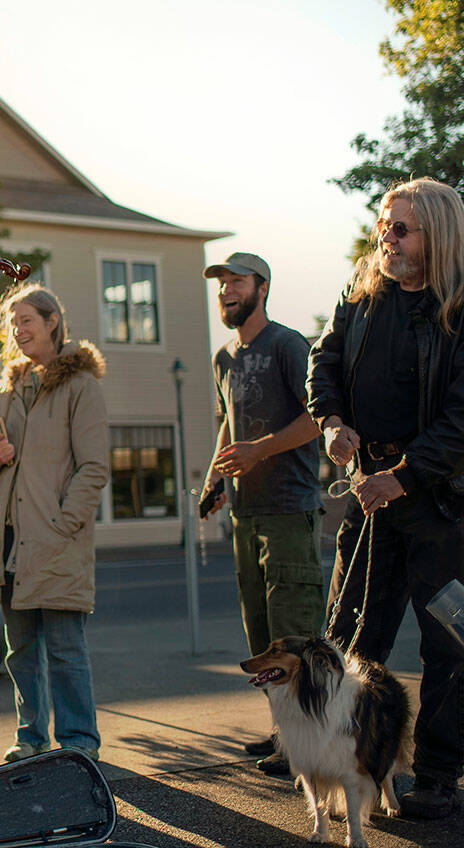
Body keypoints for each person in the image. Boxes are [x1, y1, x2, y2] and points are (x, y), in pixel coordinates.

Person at [307, 177, 464, 820]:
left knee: (448, 645)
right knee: (350, 635)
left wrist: (404, 475)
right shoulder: (362, 290)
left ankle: (437, 777)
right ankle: (349, 764)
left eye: (401, 228)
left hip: (438, 503)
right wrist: (332, 420)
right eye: (384, 224)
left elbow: (461, 418)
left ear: (437, 236)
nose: (386, 237)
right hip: (369, 491)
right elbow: (325, 357)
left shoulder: (458, 306)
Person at [198, 252, 324, 777]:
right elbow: (228, 425)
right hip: (246, 514)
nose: (226, 290)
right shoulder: (224, 356)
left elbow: (320, 418)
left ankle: (309, 744)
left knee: (294, 631)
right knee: (263, 637)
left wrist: (260, 451)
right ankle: (283, 735)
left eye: (237, 281)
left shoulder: (289, 346)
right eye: (221, 282)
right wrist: (214, 481)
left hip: (289, 508)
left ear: (262, 287)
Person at [0, 285, 109, 764]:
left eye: (26, 320)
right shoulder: (8, 387)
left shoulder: (82, 387)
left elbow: (93, 467)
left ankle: (78, 742)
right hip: (10, 541)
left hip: (55, 539)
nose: (18, 330)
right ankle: (30, 736)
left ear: (53, 321)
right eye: (13, 323)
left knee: (66, 649)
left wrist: (62, 522)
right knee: (21, 651)